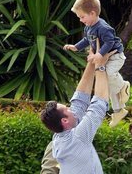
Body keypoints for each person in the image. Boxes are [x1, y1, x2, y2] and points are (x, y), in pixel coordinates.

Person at [40, 44, 115, 174]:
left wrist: (92, 62)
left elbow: (79, 101)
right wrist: (101, 66)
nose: (71, 109)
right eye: (67, 109)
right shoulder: (78, 137)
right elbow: (99, 104)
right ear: (64, 121)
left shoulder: (60, 137)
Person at [63, 0, 130, 127]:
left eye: (82, 17)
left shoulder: (103, 27)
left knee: (108, 76)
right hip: (106, 58)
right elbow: (87, 39)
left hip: (115, 56)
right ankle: (118, 110)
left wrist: (99, 54)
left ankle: (123, 86)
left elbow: (110, 42)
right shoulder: (89, 27)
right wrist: (76, 47)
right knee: (108, 83)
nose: (81, 20)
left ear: (92, 13)